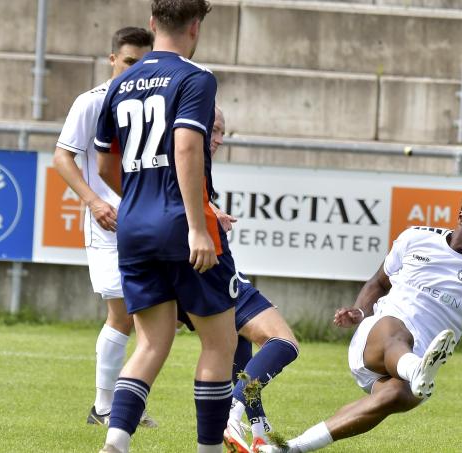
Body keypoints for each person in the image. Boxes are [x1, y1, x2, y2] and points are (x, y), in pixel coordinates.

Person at [256, 184, 462, 452]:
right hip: (378, 338)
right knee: (398, 332)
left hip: (413, 375)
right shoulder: (415, 238)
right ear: (461, 216)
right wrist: (360, 310)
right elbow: (378, 283)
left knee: (390, 398)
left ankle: (288, 449)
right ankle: (415, 368)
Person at [93, 2, 237, 452]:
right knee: (219, 344)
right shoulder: (196, 77)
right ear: (195, 27)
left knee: (150, 344)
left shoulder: (120, 83)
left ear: (153, 24)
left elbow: (105, 163)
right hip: (181, 224)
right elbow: (187, 147)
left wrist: (141, 200)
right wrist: (196, 226)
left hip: (134, 227)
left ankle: (117, 440)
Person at [52, 26, 156, 428]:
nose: (135, 69)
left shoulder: (153, 102)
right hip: (108, 223)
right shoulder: (92, 102)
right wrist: (94, 202)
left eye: (143, 62)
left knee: (144, 315)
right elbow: (63, 157)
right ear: (112, 59)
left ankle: (119, 406)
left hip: (147, 221)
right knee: (123, 312)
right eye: (129, 61)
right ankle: (104, 407)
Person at [183, 106, 301, 453]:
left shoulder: (182, 160)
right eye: (215, 130)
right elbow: (177, 198)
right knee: (284, 342)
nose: (219, 139)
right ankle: (232, 411)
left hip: (188, 272)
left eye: (223, 132)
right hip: (207, 268)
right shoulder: (186, 157)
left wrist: (210, 210)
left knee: (237, 347)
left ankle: (260, 431)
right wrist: (207, 215)